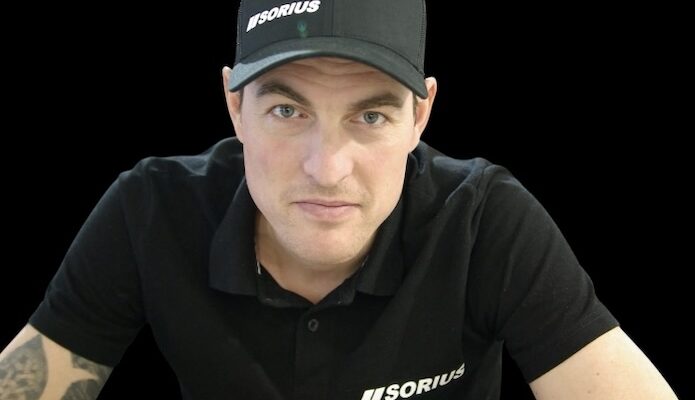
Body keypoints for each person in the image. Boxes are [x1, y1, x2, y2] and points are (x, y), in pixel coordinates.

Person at [0, 0, 679, 399]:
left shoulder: (482, 220)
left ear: (420, 116)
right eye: (287, 111)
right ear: (234, 106)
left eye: (371, 116)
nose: (326, 169)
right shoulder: (150, 210)